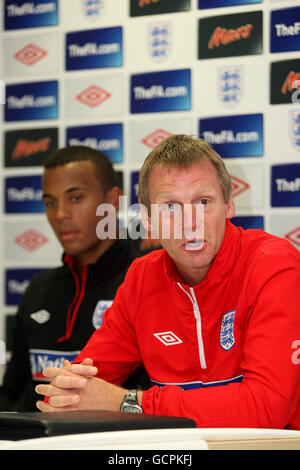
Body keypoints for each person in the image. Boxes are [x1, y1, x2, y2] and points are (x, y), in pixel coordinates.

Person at [35, 135, 300, 429]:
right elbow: (72, 391)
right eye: (170, 206)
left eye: (203, 201)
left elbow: (267, 408)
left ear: (228, 206)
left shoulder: (273, 264)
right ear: (148, 220)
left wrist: (127, 403)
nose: (190, 221)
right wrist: (68, 393)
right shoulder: (142, 277)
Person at [0, 145, 150, 412]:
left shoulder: (148, 279)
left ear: (113, 200)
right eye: (51, 203)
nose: (60, 215)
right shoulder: (39, 289)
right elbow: (12, 393)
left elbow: (158, 395)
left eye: (76, 198)